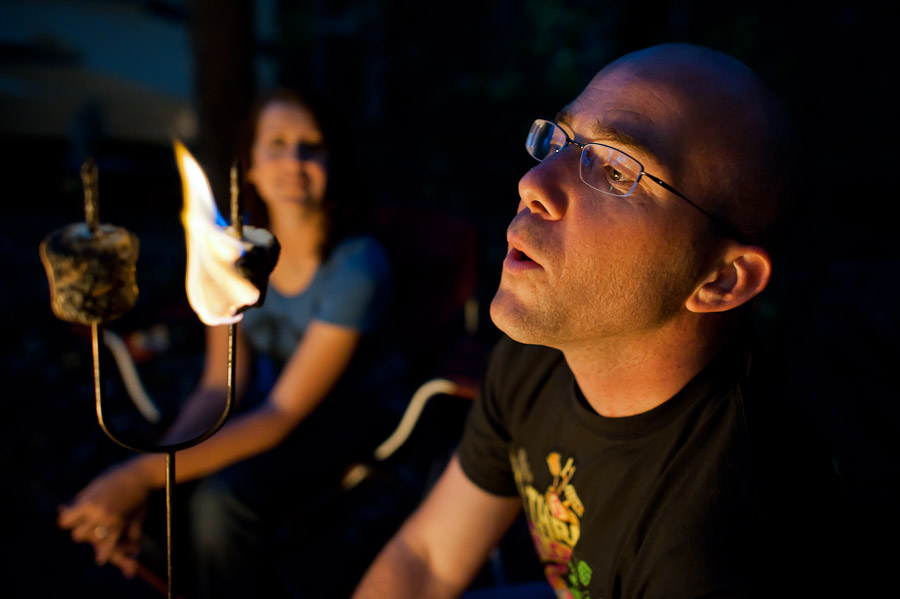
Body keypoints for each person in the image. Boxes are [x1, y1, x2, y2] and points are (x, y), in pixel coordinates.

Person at [352, 43, 845, 599]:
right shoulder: (540, 356)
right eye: (559, 141)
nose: (533, 184)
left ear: (722, 279)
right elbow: (427, 560)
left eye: (614, 170)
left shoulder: (726, 532)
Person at [57, 88, 406, 597]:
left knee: (220, 501)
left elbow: (283, 415)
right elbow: (219, 388)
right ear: (252, 167)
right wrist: (153, 470)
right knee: (166, 496)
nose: (295, 159)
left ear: (334, 162)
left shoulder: (357, 266)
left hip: (340, 416)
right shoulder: (231, 257)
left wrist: (142, 474)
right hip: (268, 405)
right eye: (278, 144)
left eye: (312, 145)